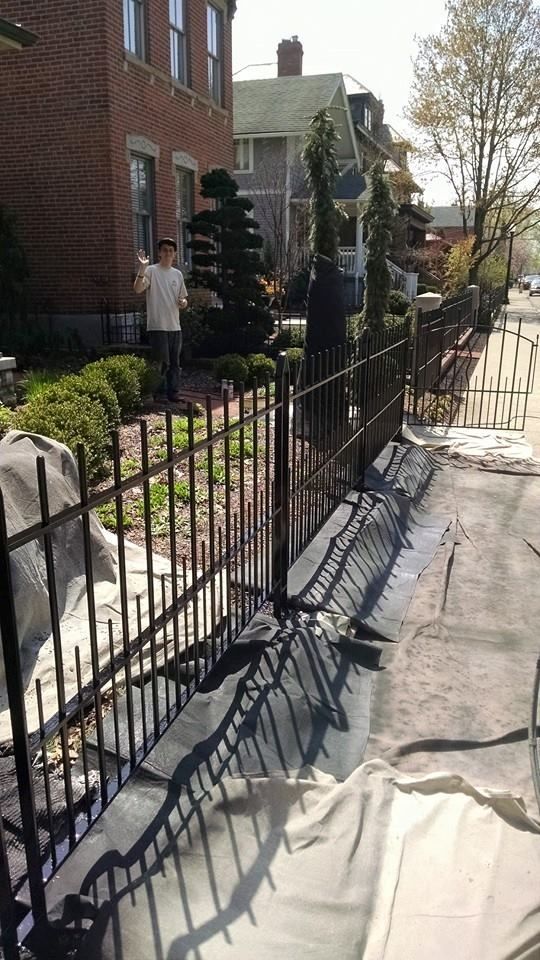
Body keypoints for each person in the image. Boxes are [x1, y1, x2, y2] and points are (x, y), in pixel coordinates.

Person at [133, 238, 188, 403]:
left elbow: (184, 299)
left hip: (175, 326)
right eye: (165, 250)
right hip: (157, 326)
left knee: (175, 364)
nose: (168, 253)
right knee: (161, 362)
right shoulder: (151, 270)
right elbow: (137, 289)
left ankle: (174, 393)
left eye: (171, 250)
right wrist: (142, 268)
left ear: (175, 253)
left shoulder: (177, 274)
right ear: (159, 253)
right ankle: (159, 394)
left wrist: (183, 303)